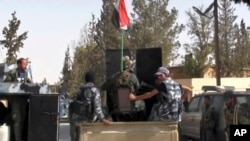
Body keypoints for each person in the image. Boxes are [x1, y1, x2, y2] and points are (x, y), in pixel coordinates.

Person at [69, 71, 110, 141]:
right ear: (93, 80)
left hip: (78, 117)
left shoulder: (79, 90)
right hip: (89, 118)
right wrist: (103, 119)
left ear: (85, 79)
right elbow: (97, 107)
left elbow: (73, 103)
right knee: (104, 109)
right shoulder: (94, 90)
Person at [101, 56, 140, 121]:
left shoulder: (114, 78)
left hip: (117, 110)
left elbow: (103, 87)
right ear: (129, 65)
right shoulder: (133, 77)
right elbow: (138, 89)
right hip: (131, 110)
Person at [4, 58, 32, 141]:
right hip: (15, 99)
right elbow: (6, 84)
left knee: (22, 119)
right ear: (19, 64)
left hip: (23, 99)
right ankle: (17, 139)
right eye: (24, 64)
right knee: (17, 119)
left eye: (26, 64)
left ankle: (19, 137)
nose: (25, 65)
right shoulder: (12, 73)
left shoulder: (26, 73)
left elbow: (30, 83)